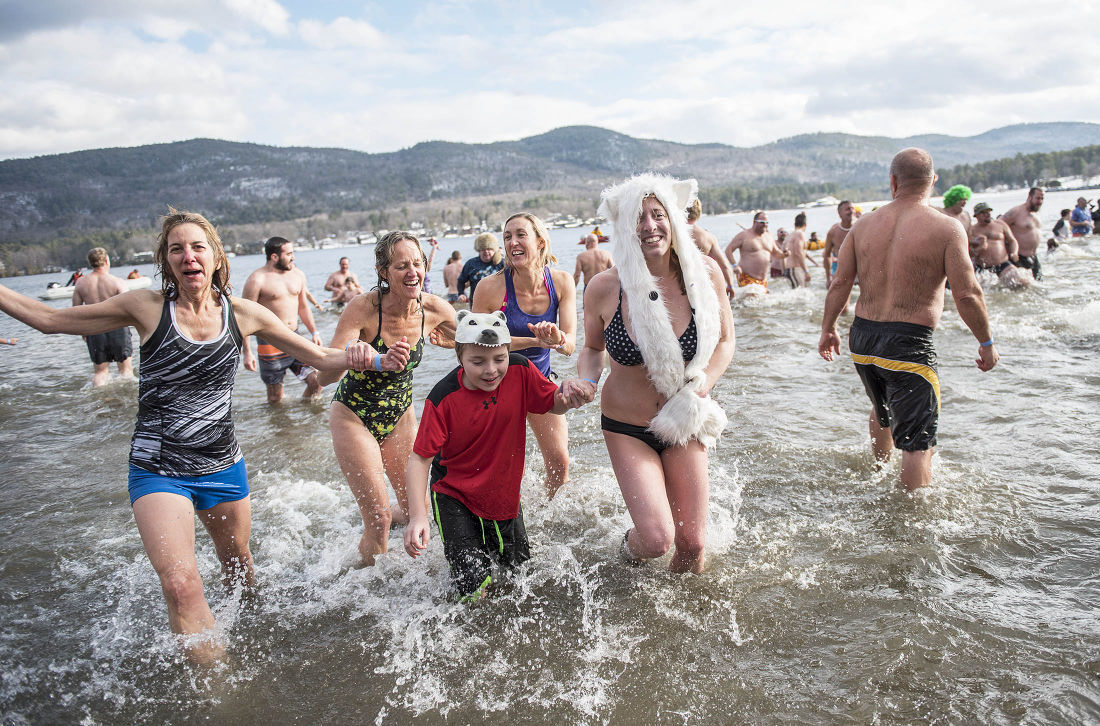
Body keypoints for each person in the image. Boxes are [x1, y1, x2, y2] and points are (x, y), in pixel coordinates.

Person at [0, 209, 373, 665]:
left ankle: (256, 636)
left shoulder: (243, 314)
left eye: (197, 247)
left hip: (222, 465)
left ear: (215, 257)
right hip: (157, 468)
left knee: (239, 569)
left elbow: (319, 358)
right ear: (166, 260)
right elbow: (48, 320)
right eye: (177, 248)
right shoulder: (145, 307)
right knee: (181, 585)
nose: (188, 255)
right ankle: (218, 693)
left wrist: (367, 358)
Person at [576, 174, 735, 573]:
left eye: (657, 214)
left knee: (693, 544)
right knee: (656, 539)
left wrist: (702, 388)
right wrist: (587, 381)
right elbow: (593, 349)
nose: (649, 226)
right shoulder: (604, 287)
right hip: (627, 425)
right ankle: (622, 558)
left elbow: (726, 342)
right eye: (637, 218)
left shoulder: (707, 273)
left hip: (685, 417)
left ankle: (682, 626)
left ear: (674, 219)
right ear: (623, 228)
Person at [818, 148, 998, 491]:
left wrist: (828, 329)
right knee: (917, 444)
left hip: (863, 339)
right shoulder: (947, 228)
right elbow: (967, 294)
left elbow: (840, 282)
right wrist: (986, 342)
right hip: (908, 343)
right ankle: (911, 524)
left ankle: (878, 473)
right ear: (933, 182)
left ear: (892, 181)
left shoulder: (862, 226)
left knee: (881, 408)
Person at [403, 311, 591, 601]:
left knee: (520, 576)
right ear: (460, 358)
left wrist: (568, 394)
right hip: (453, 495)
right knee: (473, 586)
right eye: (477, 362)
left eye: (499, 359)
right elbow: (419, 459)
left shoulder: (521, 370)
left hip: (502, 493)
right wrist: (418, 516)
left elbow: (552, 402)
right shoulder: (442, 398)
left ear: (507, 351)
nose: (491, 370)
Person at [320, 231, 457, 565]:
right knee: (378, 521)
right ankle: (362, 588)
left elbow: (483, 344)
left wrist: (535, 341)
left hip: (400, 417)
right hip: (354, 415)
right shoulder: (364, 308)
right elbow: (326, 371)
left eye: (417, 264)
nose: (412, 272)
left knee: (418, 510)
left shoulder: (434, 309)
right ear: (383, 272)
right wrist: (353, 354)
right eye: (401, 266)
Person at [473, 213, 578, 498]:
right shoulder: (490, 287)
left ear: (540, 242)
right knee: (505, 467)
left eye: (521, 235)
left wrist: (556, 340)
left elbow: (570, 346)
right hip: (496, 387)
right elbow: (476, 347)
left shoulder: (562, 282)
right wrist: (535, 340)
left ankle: (550, 523)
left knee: (559, 463)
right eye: (507, 237)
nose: (512, 242)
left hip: (539, 381)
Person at [241, 237, 325, 403]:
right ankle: (281, 425)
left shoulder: (297, 274)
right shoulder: (257, 279)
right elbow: (245, 317)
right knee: (275, 398)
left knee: (316, 383)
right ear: (274, 257)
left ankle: (304, 418)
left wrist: (314, 332)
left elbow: (303, 307)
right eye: (289, 254)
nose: (293, 257)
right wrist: (247, 352)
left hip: (295, 337)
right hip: (269, 343)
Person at [72, 247, 135, 386]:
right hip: (118, 327)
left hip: (94, 329)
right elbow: (129, 308)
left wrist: (83, 332)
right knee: (125, 371)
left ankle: (99, 398)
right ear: (107, 261)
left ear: (90, 263)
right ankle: (128, 399)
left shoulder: (81, 283)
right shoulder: (117, 282)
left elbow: (76, 310)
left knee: (100, 372)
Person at [724, 212, 787, 293]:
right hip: (746, 277)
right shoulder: (744, 235)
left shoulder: (769, 236)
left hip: (762, 280)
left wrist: (785, 254)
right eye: (762, 222)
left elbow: (776, 254)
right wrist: (734, 265)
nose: (765, 224)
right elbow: (728, 250)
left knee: (762, 302)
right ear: (754, 222)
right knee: (752, 298)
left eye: (767, 222)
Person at [685, 199, 735, 297]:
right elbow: (724, 265)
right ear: (699, 212)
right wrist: (730, 285)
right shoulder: (708, 237)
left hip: (678, 282)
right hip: (701, 284)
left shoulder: (672, 234)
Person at [1001, 187, 1045, 280]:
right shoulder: (1016, 212)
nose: (1040, 201)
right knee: (1022, 287)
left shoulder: (1036, 213)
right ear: (1029, 197)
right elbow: (998, 226)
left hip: (1033, 257)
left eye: (1042, 199)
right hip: (1018, 257)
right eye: (1037, 198)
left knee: (1039, 284)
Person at [456, 233, 504, 303]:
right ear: (478, 250)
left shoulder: (502, 263)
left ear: (494, 249)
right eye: (483, 249)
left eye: (489, 249)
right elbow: (461, 281)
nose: (486, 252)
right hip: (476, 303)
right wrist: (461, 294)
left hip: (498, 303)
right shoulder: (471, 264)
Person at [823, 200, 855, 289]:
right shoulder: (833, 232)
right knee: (841, 301)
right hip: (841, 269)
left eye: (852, 208)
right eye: (848, 209)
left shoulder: (861, 226)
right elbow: (826, 255)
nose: (851, 211)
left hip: (860, 268)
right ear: (839, 213)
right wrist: (828, 278)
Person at [782, 213, 817, 288]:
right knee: (801, 294)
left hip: (789, 270)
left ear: (794, 224)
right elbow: (798, 253)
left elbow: (783, 254)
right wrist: (806, 271)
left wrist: (784, 271)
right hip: (795, 269)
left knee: (799, 295)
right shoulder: (800, 234)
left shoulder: (789, 236)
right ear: (805, 224)